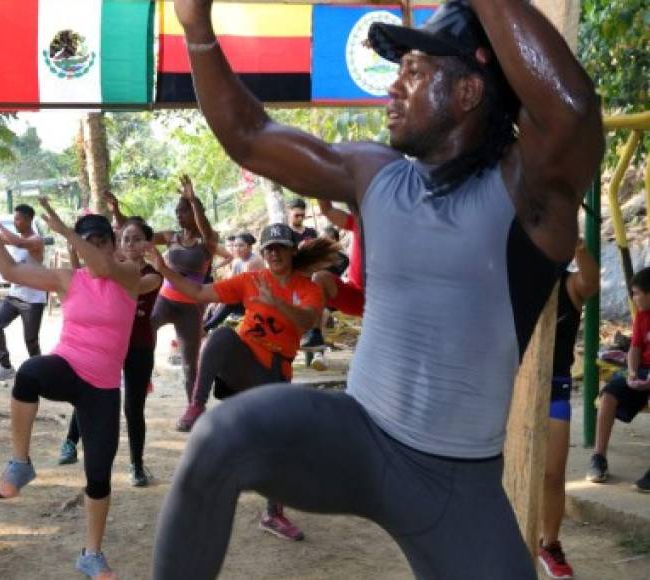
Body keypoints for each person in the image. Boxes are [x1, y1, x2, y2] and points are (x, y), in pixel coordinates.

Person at [155, 0, 603, 577]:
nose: (392, 88)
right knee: (221, 437)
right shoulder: (374, 173)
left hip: (455, 486)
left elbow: (572, 109)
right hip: (359, 437)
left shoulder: (530, 192)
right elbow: (249, 135)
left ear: (469, 91)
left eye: (414, 72)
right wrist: (196, 29)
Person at [0, 187, 143, 580]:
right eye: (88, 241)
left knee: (98, 476)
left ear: (113, 245)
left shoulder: (129, 276)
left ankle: (91, 554)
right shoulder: (68, 278)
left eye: (101, 241)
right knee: (30, 373)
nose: (92, 248)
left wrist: (69, 232)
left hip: (102, 388)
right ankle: (20, 463)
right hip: (68, 365)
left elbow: (103, 267)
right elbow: (11, 272)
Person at [152, 224, 335, 541]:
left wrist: (276, 302)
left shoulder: (308, 288)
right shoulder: (251, 279)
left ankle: (273, 514)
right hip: (243, 362)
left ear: (292, 251)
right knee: (222, 335)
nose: (274, 253)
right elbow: (197, 292)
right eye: (268, 249)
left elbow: (306, 321)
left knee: (275, 444)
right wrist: (164, 269)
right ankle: (196, 405)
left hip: (275, 373)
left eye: (280, 247)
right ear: (262, 254)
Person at [59, 217, 165, 487]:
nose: (131, 244)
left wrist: (102, 260)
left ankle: (136, 465)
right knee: (87, 393)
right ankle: (71, 442)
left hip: (138, 346)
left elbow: (132, 285)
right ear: (118, 241)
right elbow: (83, 282)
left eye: (137, 239)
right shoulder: (105, 267)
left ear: (147, 244)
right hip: (105, 345)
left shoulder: (151, 274)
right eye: (126, 238)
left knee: (133, 407)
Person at [114, 177, 218, 408]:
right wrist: (117, 211)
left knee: (190, 362)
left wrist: (193, 201)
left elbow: (205, 229)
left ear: (195, 211)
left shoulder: (208, 241)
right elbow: (136, 234)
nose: (180, 215)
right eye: (177, 211)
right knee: (143, 330)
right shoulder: (172, 236)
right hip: (166, 299)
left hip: (191, 306)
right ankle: (144, 376)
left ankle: (195, 407)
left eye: (184, 211)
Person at [539, 241, 597, 579]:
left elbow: (589, 282)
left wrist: (577, 248)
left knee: (553, 473)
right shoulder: (513, 280)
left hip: (556, 387)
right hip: (513, 387)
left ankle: (550, 543)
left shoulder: (569, 285)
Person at [586, 266, 650, 488]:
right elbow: (634, 349)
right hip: (642, 370)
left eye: (636, 293)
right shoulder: (642, 317)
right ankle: (598, 457)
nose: (633, 299)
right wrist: (632, 372)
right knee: (609, 394)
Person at [0, 204, 47, 384]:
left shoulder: (36, 240)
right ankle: (5, 367)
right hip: (14, 295)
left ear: (29, 220)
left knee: (31, 341)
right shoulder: (15, 238)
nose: (15, 222)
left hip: (33, 299)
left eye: (18, 219)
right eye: (15, 219)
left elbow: (18, 243)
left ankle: (40, 375)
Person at [302, 199, 365, 370]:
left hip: (385, 295)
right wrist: (317, 178)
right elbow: (327, 209)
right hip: (355, 294)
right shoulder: (356, 222)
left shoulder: (392, 225)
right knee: (320, 278)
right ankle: (315, 335)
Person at [202, 232, 263, 333]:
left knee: (228, 302)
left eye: (241, 245)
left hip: (254, 300)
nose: (237, 248)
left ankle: (206, 328)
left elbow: (245, 289)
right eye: (235, 245)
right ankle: (205, 326)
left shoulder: (253, 262)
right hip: (241, 298)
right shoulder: (236, 261)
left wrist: (222, 297)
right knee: (216, 299)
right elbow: (231, 283)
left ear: (250, 247)